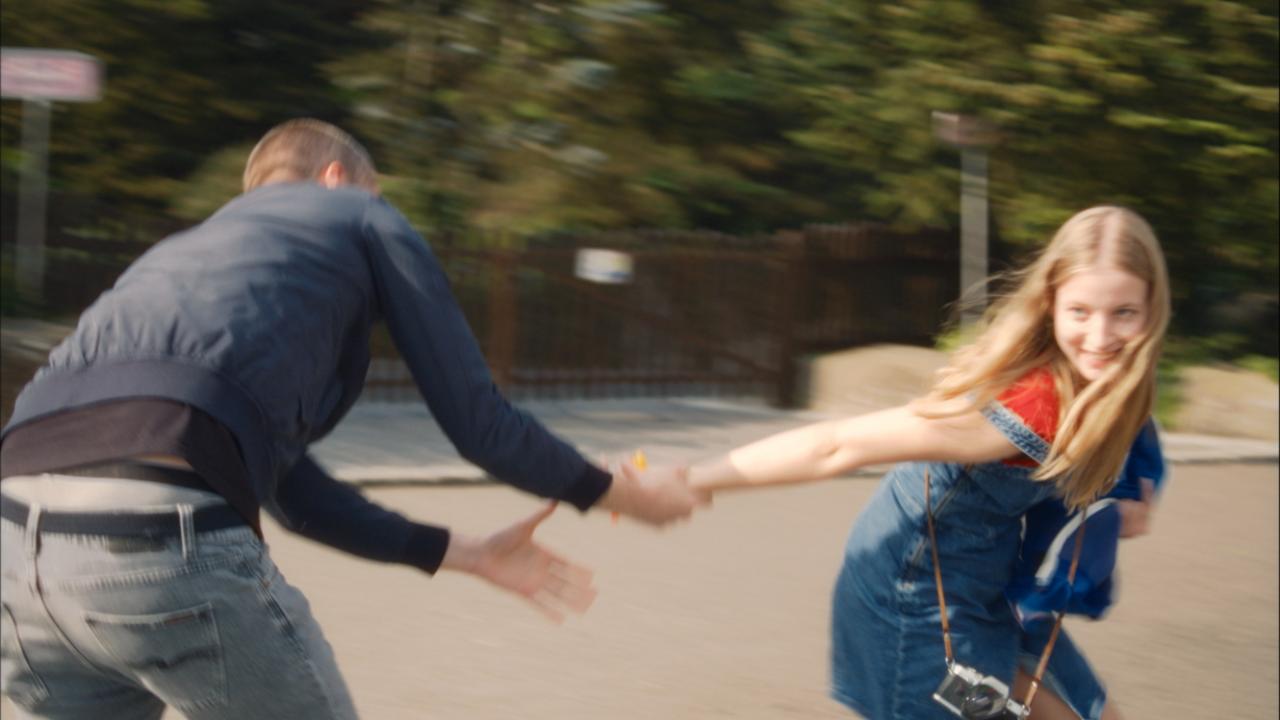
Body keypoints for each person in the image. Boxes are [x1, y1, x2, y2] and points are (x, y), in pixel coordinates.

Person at [0, 118, 706, 720]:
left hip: (13, 549)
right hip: (154, 540)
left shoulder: (181, 258)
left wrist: (471, 554)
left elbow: (295, 495)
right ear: (337, 178)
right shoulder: (359, 216)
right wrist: (621, 494)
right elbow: (478, 423)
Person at [647, 205, 1169, 719]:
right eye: (1080, 312)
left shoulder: (1111, 386)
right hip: (917, 597)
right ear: (1051, 303)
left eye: (1123, 312)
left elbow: (1124, 456)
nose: (1101, 337)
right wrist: (694, 479)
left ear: (1152, 308)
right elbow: (836, 445)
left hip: (988, 581)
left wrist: (1118, 504)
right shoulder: (1033, 406)